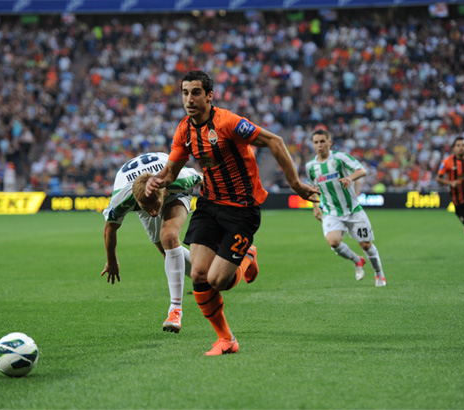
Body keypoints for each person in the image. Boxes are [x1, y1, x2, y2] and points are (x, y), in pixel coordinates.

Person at [145, 70, 319, 356]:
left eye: (196, 92)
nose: (189, 98)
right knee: (199, 274)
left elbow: (275, 141)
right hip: (210, 204)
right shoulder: (184, 129)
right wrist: (157, 181)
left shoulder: (228, 123)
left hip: (242, 209)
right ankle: (226, 339)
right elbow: (170, 172)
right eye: (185, 92)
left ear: (210, 95)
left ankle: (248, 254)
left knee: (218, 281)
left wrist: (296, 184)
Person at [100, 152, 258, 334]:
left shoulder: (180, 179)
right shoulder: (121, 199)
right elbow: (109, 229)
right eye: (146, 208)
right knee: (175, 256)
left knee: (168, 237)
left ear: (163, 191)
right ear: (136, 201)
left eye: (155, 206)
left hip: (174, 191)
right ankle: (246, 256)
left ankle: (175, 310)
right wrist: (111, 260)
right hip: (143, 188)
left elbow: (207, 180)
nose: (153, 213)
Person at [306, 128, 386, 287]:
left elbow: (361, 170)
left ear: (329, 142)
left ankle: (379, 273)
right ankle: (357, 260)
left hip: (353, 211)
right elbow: (312, 188)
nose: (319, 145)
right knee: (333, 242)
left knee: (365, 245)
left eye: (322, 141)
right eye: (316, 142)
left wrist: (349, 178)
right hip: (331, 212)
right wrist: (315, 207)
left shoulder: (340, 158)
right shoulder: (310, 167)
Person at [436, 136, 464, 237]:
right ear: (454, 148)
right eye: (458, 145)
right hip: (458, 202)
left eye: (463, 145)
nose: (461, 147)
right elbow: (438, 179)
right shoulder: (447, 162)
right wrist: (450, 183)